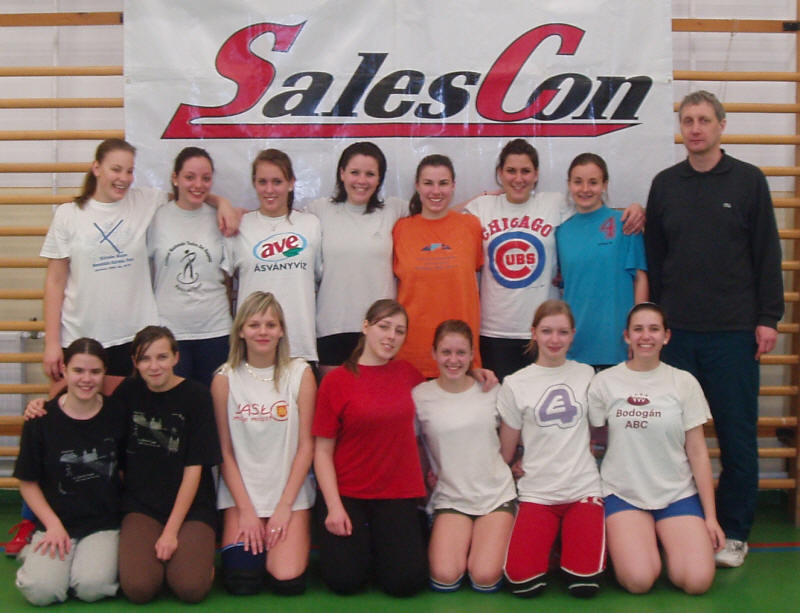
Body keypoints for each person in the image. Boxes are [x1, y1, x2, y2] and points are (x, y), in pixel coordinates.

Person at [644, 90, 784, 567]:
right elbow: (656, 259)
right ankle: (677, 524)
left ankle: (735, 531)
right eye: (688, 120)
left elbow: (767, 253)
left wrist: (768, 318)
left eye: (704, 120)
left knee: (736, 437)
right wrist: (658, 326)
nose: (696, 128)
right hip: (678, 336)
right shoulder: (665, 185)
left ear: (722, 125)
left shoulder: (748, 181)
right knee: (671, 435)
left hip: (733, 334)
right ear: (681, 128)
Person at [22, 326, 221, 603]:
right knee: (138, 589)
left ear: (176, 357)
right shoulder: (128, 392)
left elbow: (194, 468)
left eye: (162, 357)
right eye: (145, 358)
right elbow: (81, 399)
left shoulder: (197, 396)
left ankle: (194, 564)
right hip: (141, 507)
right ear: (134, 362)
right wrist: (43, 404)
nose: (154, 366)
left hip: (190, 508)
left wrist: (171, 533)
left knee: (190, 588)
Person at [40, 138, 238, 382]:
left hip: (134, 336)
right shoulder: (68, 215)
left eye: (129, 171)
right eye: (116, 169)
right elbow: (55, 282)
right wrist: (52, 343)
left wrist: (222, 202)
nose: (123, 178)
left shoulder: (144, 201)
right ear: (96, 168)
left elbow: (190, 194)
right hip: (82, 334)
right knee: (79, 402)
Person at [466, 138, 644, 380]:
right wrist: (485, 194)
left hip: (546, 331)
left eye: (525, 171)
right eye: (511, 171)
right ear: (500, 173)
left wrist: (636, 208)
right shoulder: (482, 206)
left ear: (536, 174)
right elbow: (442, 218)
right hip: (495, 331)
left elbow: (594, 213)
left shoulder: (556, 204)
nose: (518, 178)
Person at [587, 302, 725, 594]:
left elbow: (698, 452)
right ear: (627, 336)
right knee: (639, 580)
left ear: (666, 336)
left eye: (654, 329)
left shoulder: (684, 382)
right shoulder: (604, 382)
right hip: (624, 494)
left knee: (697, 581)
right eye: (638, 329)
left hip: (677, 494)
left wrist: (710, 517)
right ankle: (640, 545)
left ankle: (667, 544)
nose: (646, 336)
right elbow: (594, 442)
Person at [312, 299, 428, 596]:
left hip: (397, 493)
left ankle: (380, 550)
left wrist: (476, 374)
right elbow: (322, 452)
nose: (391, 336)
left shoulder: (409, 375)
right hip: (348, 494)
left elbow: (446, 393)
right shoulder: (336, 381)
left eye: (399, 331)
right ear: (365, 327)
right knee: (344, 582)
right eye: (384, 327)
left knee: (405, 584)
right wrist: (334, 507)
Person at [497, 300, 604, 598]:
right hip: (537, 493)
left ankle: (566, 547)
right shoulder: (515, 384)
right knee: (523, 584)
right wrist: (512, 464)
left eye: (562, 332)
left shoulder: (587, 374)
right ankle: (552, 545)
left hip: (582, 490)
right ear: (533, 333)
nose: (554, 340)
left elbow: (599, 428)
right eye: (546, 331)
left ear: (572, 335)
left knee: (584, 585)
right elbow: (506, 451)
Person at [212, 291, 316, 595]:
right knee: (243, 581)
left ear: (281, 330)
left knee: (286, 579)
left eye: (271, 325)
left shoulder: (300, 373)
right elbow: (224, 452)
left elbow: (306, 446)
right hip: (242, 496)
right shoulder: (224, 378)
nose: (263, 332)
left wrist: (284, 508)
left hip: (289, 496)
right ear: (241, 331)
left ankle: (290, 536)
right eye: (254, 324)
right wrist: (246, 511)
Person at [14, 338, 126, 605]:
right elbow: (27, 482)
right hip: (56, 522)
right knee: (41, 591)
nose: (86, 379)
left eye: (95, 372)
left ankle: (82, 563)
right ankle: (36, 553)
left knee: (92, 587)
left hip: (103, 524)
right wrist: (52, 525)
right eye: (78, 370)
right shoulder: (41, 419)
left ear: (104, 374)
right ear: (64, 370)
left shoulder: (118, 414)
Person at [414, 320, 515, 593]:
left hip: (495, 496)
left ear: (472, 355)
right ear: (434, 353)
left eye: (461, 353)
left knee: (484, 575)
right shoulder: (420, 396)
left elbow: (509, 447)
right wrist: (424, 480)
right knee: (444, 575)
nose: (453, 360)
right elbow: (417, 445)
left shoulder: (492, 390)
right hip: (451, 498)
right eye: (446, 352)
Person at [306, 142, 407, 374]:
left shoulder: (394, 209)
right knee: (335, 396)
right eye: (354, 172)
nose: (362, 181)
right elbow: (275, 218)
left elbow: (440, 212)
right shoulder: (319, 210)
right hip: (332, 328)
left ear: (380, 179)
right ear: (341, 173)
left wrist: (486, 197)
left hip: (380, 330)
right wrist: (224, 206)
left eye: (370, 174)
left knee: (377, 397)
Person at [226, 149, 322, 364]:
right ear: (254, 184)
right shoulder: (240, 225)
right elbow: (225, 284)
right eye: (263, 182)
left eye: (277, 182)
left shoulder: (311, 224)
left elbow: (320, 279)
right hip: (253, 348)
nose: (269, 190)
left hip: (300, 346)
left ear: (291, 183)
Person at [148, 147, 233, 386]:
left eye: (206, 178)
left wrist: (222, 202)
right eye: (189, 177)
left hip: (215, 331)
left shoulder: (221, 218)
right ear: (175, 178)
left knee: (213, 403)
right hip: (170, 332)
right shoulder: (156, 218)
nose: (198, 185)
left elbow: (228, 278)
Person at [393, 155, 483, 377]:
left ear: (453, 186)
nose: (436, 191)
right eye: (428, 183)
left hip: (460, 353)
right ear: (417, 186)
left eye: (443, 183)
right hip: (411, 353)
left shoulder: (471, 226)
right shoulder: (400, 229)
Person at [556, 153, 648, 367]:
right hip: (575, 345)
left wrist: (640, 333)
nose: (585, 189)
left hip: (617, 344)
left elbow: (640, 279)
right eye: (578, 182)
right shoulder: (562, 231)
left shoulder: (626, 224)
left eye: (593, 182)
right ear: (569, 185)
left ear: (605, 185)